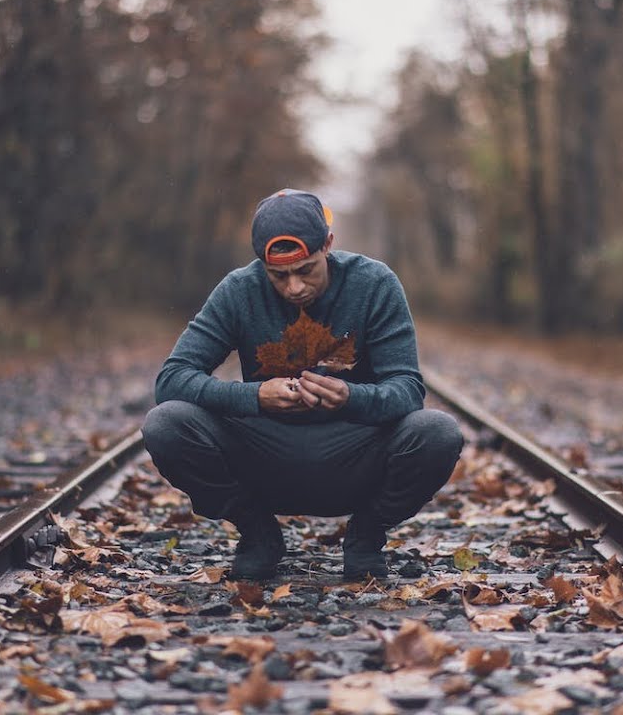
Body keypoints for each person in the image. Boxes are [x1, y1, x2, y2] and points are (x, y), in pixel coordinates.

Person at [141, 187, 463, 581]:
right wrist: (255, 396)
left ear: (328, 244)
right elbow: (172, 379)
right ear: (262, 263)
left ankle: (366, 535)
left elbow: (408, 390)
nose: (294, 287)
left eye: (306, 270)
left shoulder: (374, 284)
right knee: (165, 423)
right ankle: (258, 534)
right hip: (265, 456)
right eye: (278, 276)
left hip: (354, 454)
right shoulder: (238, 290)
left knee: (438, 432)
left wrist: (349, 397)